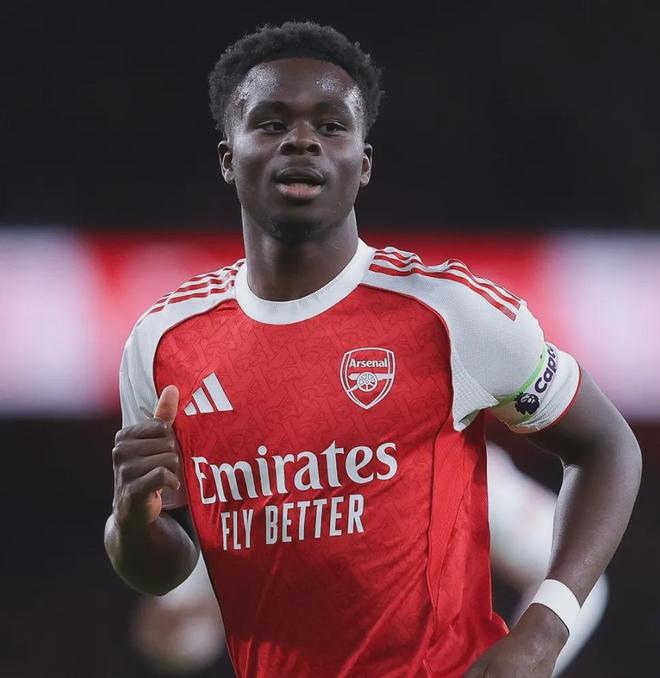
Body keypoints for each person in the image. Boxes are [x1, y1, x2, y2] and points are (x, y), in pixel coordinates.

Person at [104, 21, 641, 678]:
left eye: (331, 126)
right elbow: (159, 571)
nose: (302, 139)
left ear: (363, 164)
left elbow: (608, 446)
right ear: (227, 157)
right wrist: (130, 523)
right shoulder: (162, 343)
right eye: (271, 123)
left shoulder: (450, 312)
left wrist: (542, 633)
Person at [131, 443, 609, 677]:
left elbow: (579, 581)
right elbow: (180, 634)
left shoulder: (462, 471)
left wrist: (531, 651)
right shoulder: (266, 481)